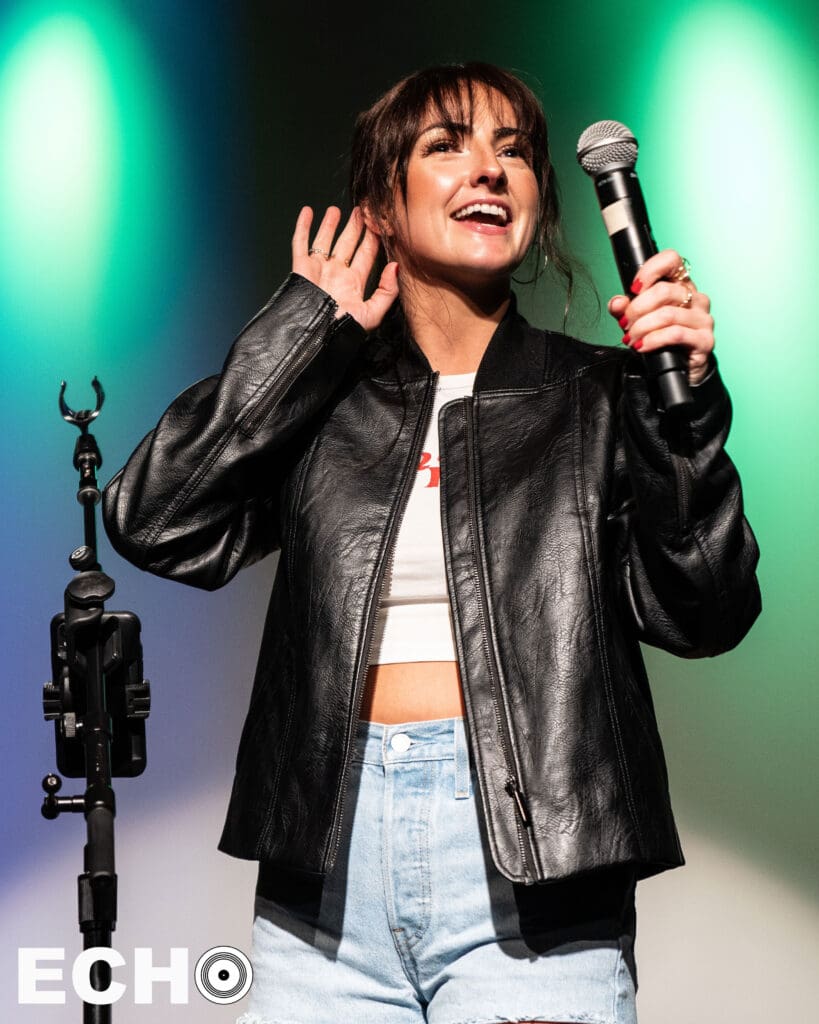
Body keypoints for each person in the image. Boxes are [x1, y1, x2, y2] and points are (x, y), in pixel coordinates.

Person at [103, 62, 761, 1024]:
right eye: (446, 145)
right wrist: (301, 331)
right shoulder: (324, 400)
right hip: (324, 884)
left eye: (513, 151)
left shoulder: (599, 394)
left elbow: (705, 610)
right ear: (381, 202)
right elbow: (154, 520)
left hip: (536, 876)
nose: (489, 169)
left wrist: (687, 407)